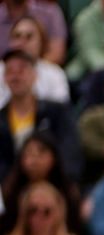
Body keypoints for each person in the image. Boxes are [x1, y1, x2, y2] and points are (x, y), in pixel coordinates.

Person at [0, 46, 80, 180]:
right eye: (10, 71)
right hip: (12, 188)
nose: (16, 76)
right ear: (4, 78)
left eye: (21, 70)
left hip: (54, 181)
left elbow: (70, 150)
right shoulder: (1, 118)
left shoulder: (57, 112)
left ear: (35, 75)